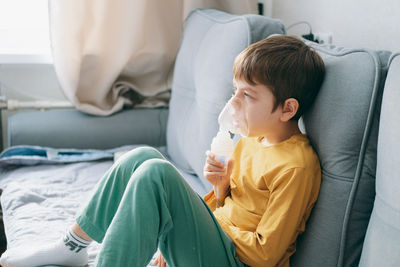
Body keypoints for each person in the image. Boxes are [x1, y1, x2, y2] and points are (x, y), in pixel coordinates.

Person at [0, 35, 325, 267]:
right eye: (234, 91)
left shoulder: (296, 166)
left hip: (237, 260)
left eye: (248, 96)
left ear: (287, 109)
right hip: (219, 247)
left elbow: (264, 255)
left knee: (157, 174)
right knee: (142, 157)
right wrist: (221, 189)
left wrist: (195, 226)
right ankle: (72, 244)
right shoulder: (253, 138)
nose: (234, 104)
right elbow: (236, 208)